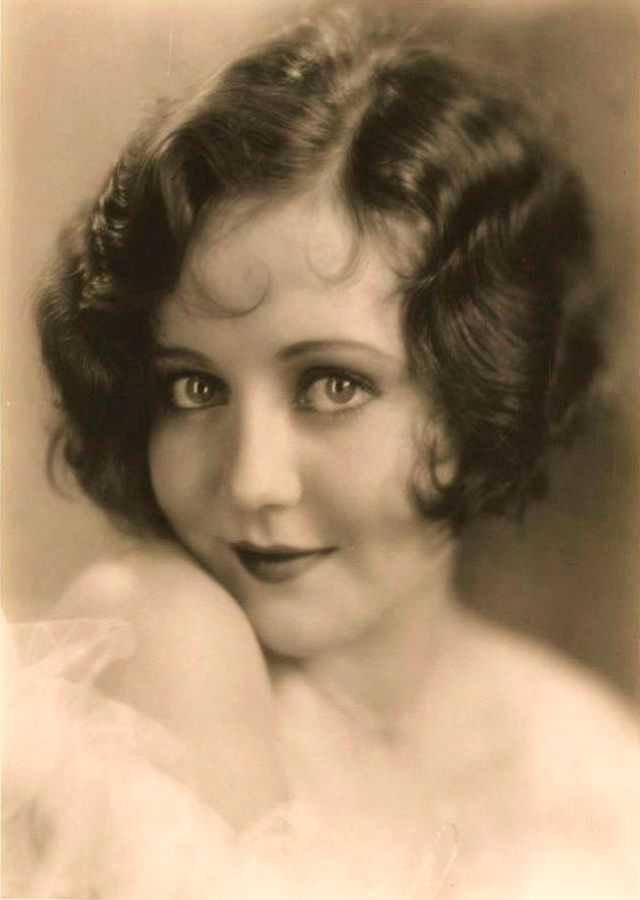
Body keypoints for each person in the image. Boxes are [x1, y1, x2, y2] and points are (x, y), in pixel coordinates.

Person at [3, 6, 638, 898]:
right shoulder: (161, 640)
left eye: (333, 385)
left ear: (481, 392)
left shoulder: (591, 750)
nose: (252, 480)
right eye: (194, 388)